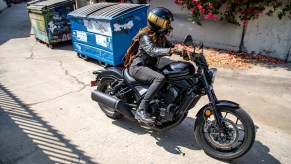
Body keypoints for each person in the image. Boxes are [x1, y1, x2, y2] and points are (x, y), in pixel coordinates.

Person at [127, 7, 180, 123]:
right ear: (157, 22)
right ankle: (141, 110)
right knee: (159, 78)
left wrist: (184, 51)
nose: (168, 25)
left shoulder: (160, 36)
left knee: (169, 76)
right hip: (138, 67)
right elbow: (152, 50)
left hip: (149, 67)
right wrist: (170, 51)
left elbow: (171, 46)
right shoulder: (145, 35)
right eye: (166, 22)